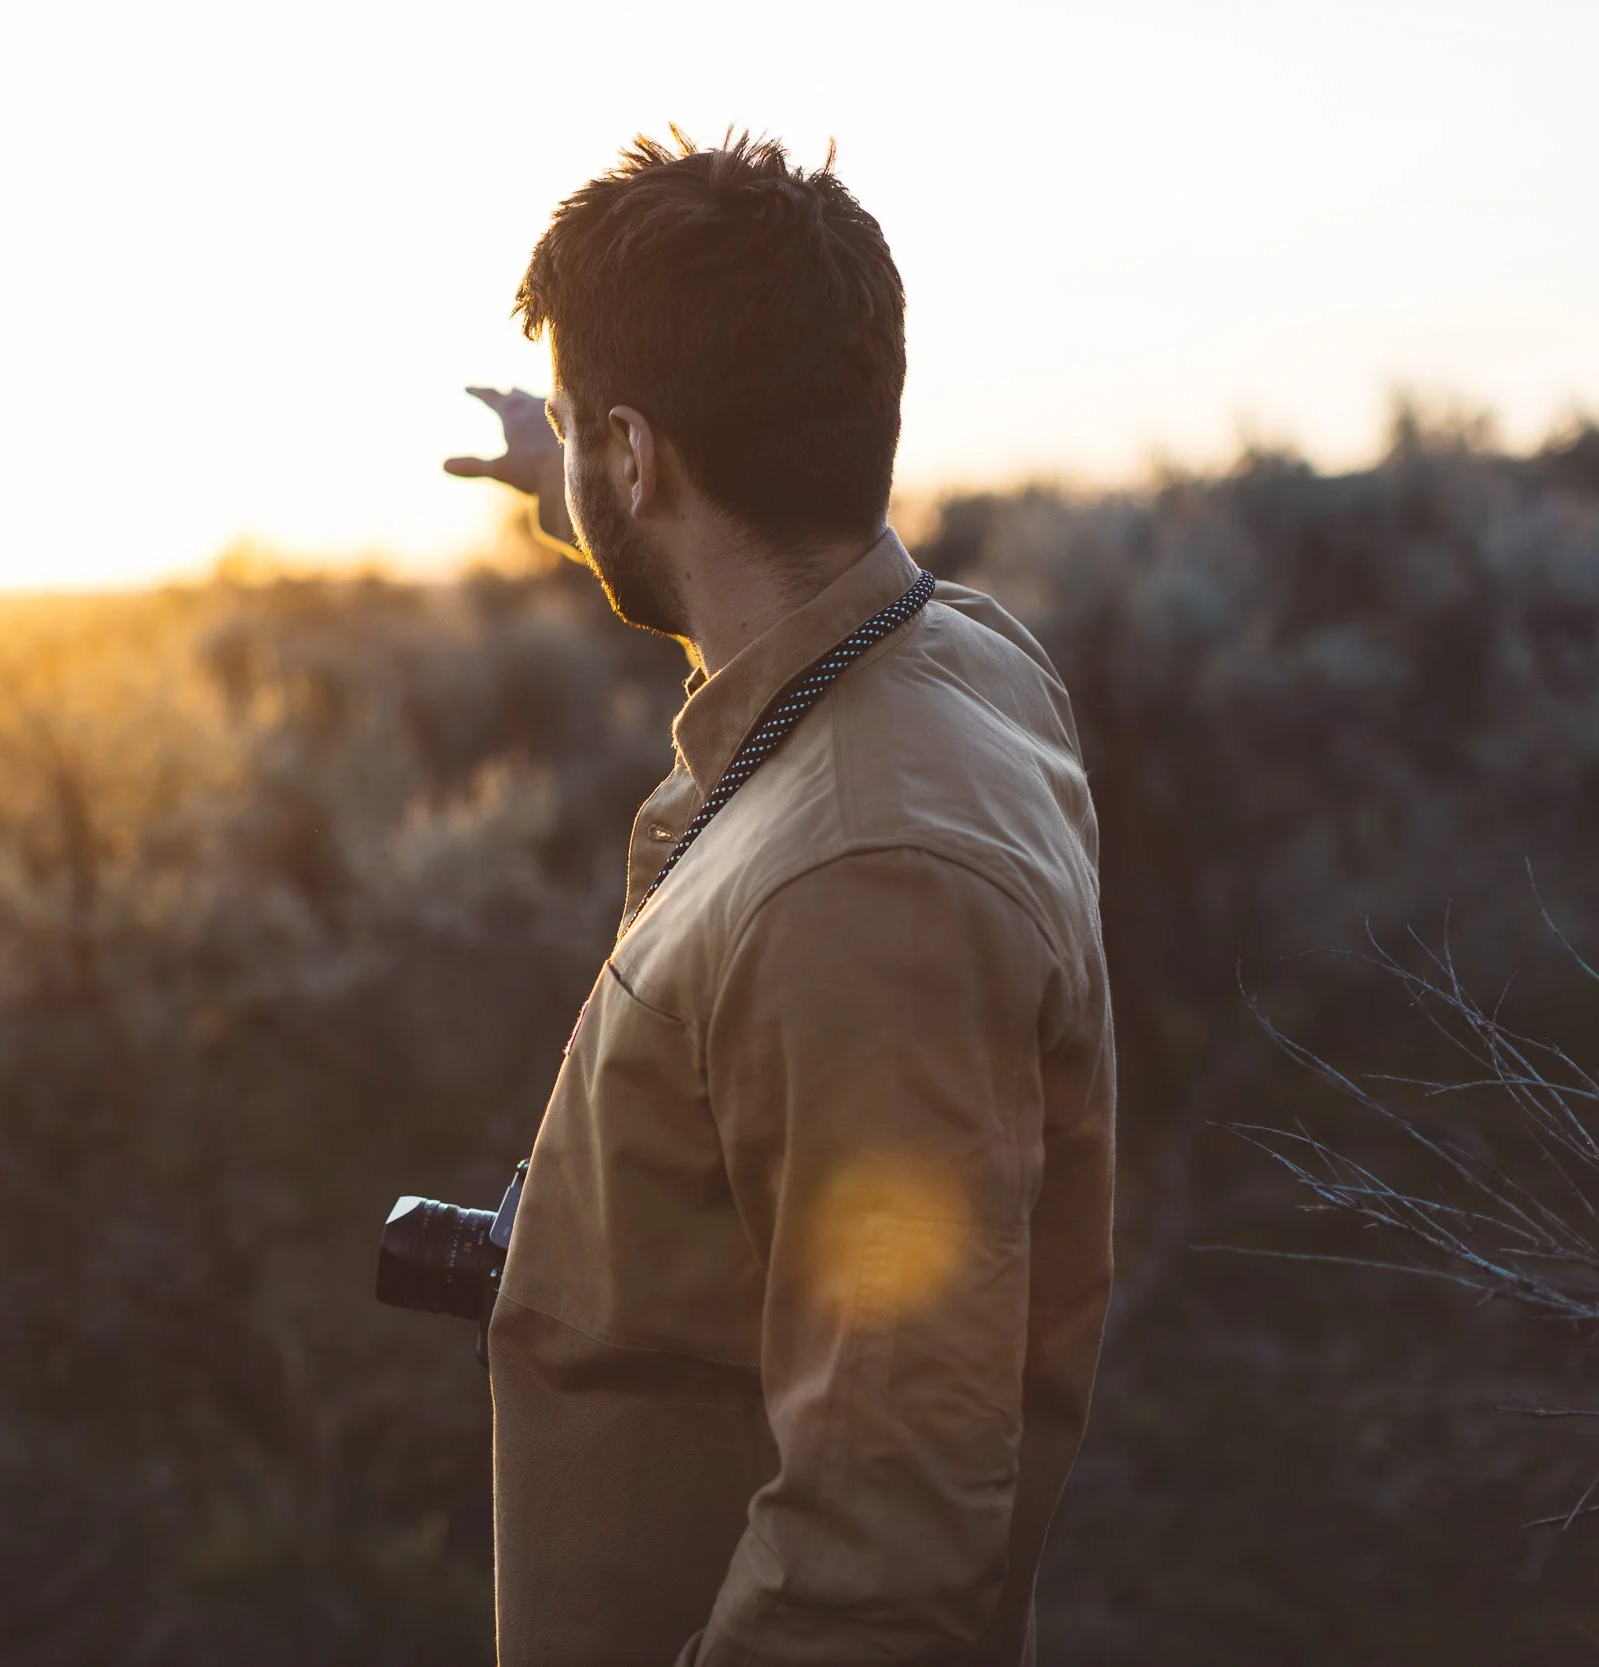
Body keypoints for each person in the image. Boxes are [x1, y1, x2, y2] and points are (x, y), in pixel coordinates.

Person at [442, 131, 1114, 1667]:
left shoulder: (866, 886)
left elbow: (880, 1552)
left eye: (586, 432)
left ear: (642, 457)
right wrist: (576, 476)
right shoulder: (957, 652)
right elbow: (758, 563)